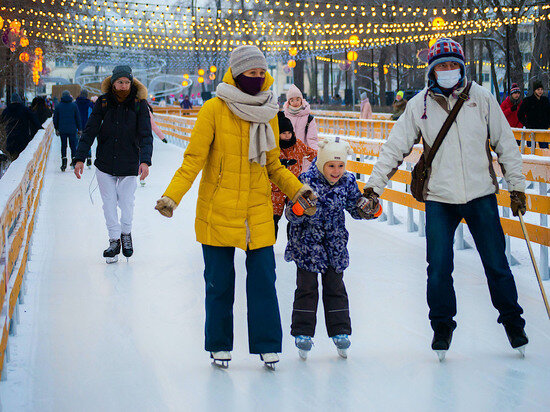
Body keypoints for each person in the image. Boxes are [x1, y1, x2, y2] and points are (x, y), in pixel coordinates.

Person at [360, 38, 528, 359]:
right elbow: (394, 148)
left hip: (480, 195)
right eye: (442, 66)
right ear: (432, 71)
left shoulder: (482, 98)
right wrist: (374, 187)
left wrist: (517, 187)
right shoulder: (420, 105)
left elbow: (506, 144)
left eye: (453, 65)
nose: (448, 70)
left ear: (462, 67)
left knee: (496, 264)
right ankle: (441, 326)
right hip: (440, 198)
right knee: (438, 267)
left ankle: (512, 321)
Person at [154, 45, 316, 369]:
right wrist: (172, 196)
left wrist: (298, 192)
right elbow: (193, 160)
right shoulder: (213, 110)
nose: (256, 79)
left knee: (263, 283)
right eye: (250, 73)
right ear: (236, 73)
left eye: (260, 73)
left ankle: (268, 345)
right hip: (218, 210)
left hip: (257, 212)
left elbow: (274, 166)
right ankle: (219, 345)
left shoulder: (269, 113)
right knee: (218, 284)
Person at [284, 136, 380, 360]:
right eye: (331, 166)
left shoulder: (347, 182)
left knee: (335, 287)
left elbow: (355, 208)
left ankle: (340, 331)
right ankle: (303, 333)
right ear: (322, 164)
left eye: (340, 166)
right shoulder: (306, 180)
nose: (336, 171)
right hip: (307, 244)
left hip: (334, 244)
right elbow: (291, 213)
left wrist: (369, 210)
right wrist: (298, 209)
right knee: (306, 289)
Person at [73, 65, 153, 263]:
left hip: (128, 162)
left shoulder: (138, 104)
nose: (124, 86)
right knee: (108, 203)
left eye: (127, 82)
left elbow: (145, 134)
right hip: (105, 163)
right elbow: (90, 130)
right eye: (120, 82)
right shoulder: (103, 102)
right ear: (113, 83)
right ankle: (114, 239)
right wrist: (80, 157)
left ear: (131, 83)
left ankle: (126, 234)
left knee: (126, 202)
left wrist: (145, 161)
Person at [271, 111, 317, 238]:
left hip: (294, 187)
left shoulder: (298, 145)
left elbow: (313, 154)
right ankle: (269, 244)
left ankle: (293, 242)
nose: (287, 136)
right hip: (276, 190)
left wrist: (325, 157)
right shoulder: (273, 147)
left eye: (289, 133)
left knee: (295, 217)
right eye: (283, 133)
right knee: (273, 218)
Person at [283, 84, 319, 171]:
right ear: (288, 102)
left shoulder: (309, 119)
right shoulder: (283, 117)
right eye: (292, 100)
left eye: (297, 99)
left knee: (303, 182)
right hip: (287, 156)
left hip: (304, 157)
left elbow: (312, 139)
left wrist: (316, 154)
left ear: (301, 100)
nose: (295, 102)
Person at [0, 93, 41, 160]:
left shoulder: (7, 110)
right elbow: (34, 119)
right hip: (23, 139)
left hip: (11, 139)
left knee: (14, 160)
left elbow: (1, 121)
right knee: (22, 159)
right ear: (19, 100)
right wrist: (40, 128)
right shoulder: (24, 109)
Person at [53, 90, 82, 171]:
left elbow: (55, 119)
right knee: (73, 146)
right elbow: (78, 118)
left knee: (63, 146)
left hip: (62, 130)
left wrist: (57, 128)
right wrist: (79, 129)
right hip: (72, 129)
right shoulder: (74, 105)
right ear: (69, 96)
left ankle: (64, 162)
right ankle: (73, 161)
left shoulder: (58, 106)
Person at [518, 80, 550, 149]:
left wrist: (548, 124)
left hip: (543, 130)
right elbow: (520, 114)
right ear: (534, 90)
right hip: (531, 130)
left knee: (544, 150)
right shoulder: (528, 101)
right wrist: (526, 124)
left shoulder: (545, 100)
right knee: (531, 151)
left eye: (541, 89)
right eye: (538, 89)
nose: (540, 91)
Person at [75, 89, 95, 167]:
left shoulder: (75, 104)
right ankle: (89, 156)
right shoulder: (90, 104)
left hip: (78, 126)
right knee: (87, 142)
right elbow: (92, 115)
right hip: (87, 126)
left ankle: (78, 157)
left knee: (79, 142)